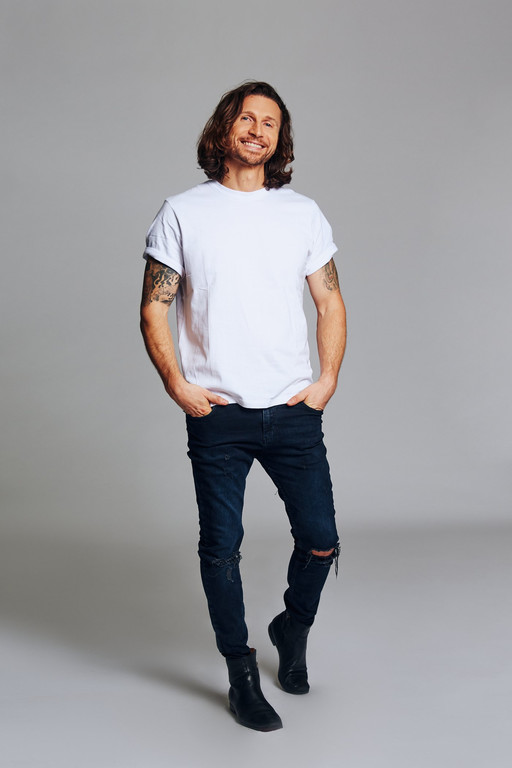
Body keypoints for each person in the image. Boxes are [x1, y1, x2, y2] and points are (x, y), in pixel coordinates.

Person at [140, 81, 347, 732]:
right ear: (225, 127)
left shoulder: (302, 214)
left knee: (321, 541)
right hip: (219, 414)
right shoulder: (183, 212)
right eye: (248, 118)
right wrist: (178, 385)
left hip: (292, 409)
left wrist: (327, 378)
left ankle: (293, 627)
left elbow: (329, 300)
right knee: (220, 550)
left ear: (280, 139)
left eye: (271, 123)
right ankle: (240, 673)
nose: (259, 130)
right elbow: (155, 306)